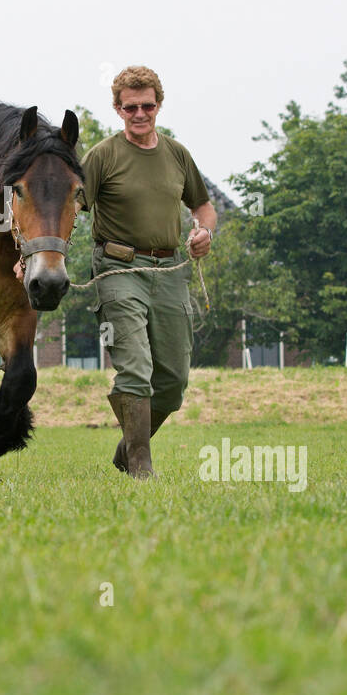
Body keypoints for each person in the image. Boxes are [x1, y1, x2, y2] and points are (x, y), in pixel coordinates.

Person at [79, 65, 216, 477]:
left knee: (172, 382)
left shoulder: (177, 154)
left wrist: (204, 232)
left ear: (159, 105)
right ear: (117, 109)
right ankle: (141, 467)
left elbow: (203, 207)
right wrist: (34, 253)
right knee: (135, 369)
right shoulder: (102, 155)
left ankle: (127, 449)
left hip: (171, 270)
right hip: (118, 269)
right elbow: (70, 206)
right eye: (130, 107)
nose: (140, 114)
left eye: (147, 106)